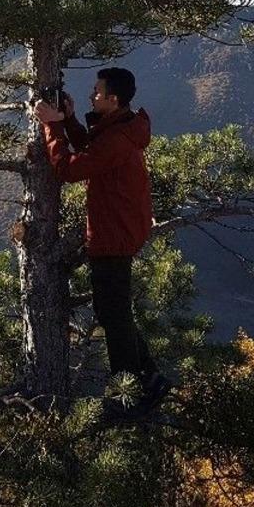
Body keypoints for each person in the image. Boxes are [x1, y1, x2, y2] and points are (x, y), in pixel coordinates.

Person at [34, 68, 170, 414]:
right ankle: (148, 378)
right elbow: (91, 148)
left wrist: (52, 125)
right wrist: (69, 120)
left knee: (114, 313)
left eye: (97, 93)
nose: (92, 96)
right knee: (114, 311)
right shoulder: (120, 129)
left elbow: (69, 169)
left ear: (113, 99)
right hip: (120, 229)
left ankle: (129, 389)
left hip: (114, 234)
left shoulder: (118, 138)